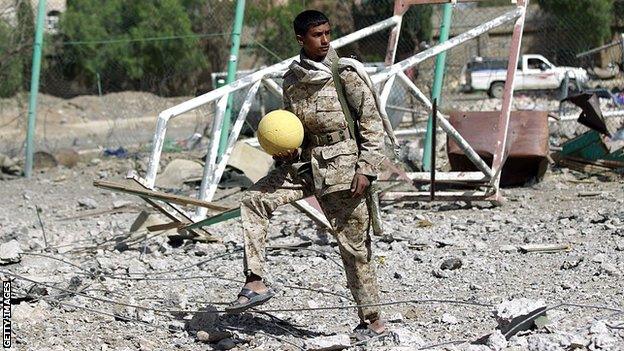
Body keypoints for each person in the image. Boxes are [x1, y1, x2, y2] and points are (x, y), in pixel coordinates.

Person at [226, 9, 388, 338]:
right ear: (301, 39)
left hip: (344, 169)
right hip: (305, 166)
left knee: (354, 247)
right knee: (254, 199)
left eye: (328, 33)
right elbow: (294, 128)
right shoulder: (292, 80)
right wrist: (288, 151)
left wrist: (367, 169)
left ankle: (372, 321)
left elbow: (372, 123)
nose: (325, 40)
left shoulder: (345, 73)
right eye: (317, 35)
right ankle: (255, 281)